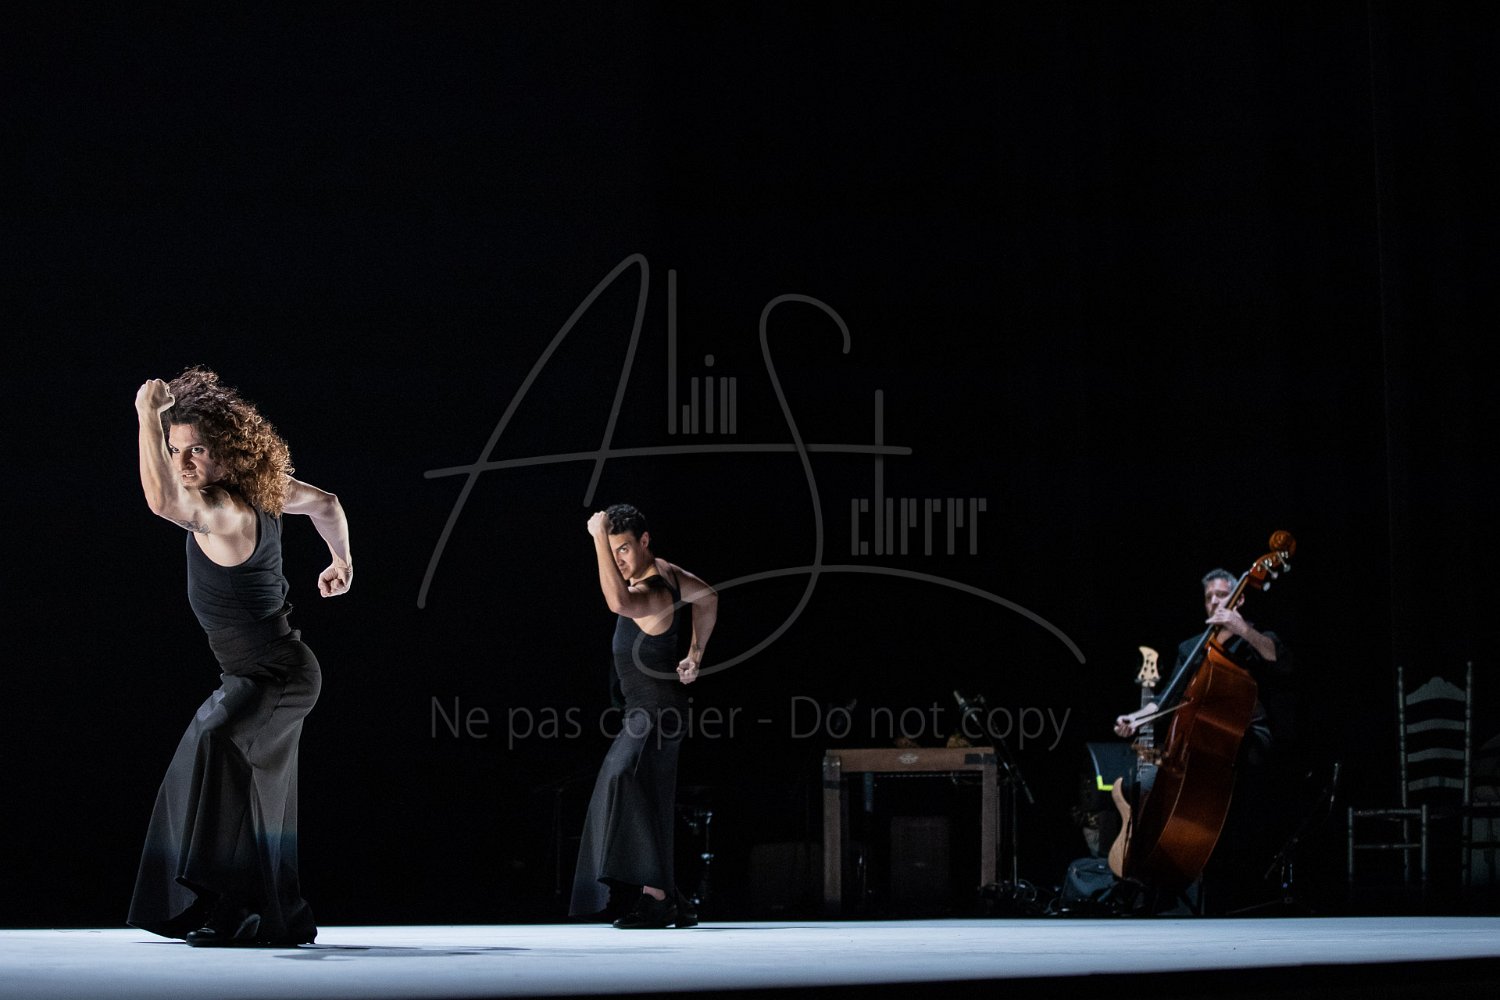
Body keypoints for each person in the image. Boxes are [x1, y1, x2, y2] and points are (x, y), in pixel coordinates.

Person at [127, 368, 351, 947]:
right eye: (174, 450)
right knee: (207, 754)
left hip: (280, 675)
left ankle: (240, 911)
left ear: (227, 453)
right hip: (251, 675)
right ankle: (246, 909)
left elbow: (161, 502)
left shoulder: (225, 509)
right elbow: (326, 503)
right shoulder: (268, 491)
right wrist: (340, 561)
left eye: (197, 450)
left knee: (223, 748)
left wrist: (147, 416)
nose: (182, 463)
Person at [570, 504, 718, 929]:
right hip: (654, 710)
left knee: (622, 780)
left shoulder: (653, 588)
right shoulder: (666, 572)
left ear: (645, 541)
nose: (618, 559)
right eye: (613, 549)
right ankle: (670, 898)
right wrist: (694, 655)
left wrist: (598, 538)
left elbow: (617, 601)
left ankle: (658, 898)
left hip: (653, 713)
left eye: (624, 549)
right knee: (644, 795)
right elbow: (708, 597)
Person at [1113, 568, 1293, 912]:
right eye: (1209, 597)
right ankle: (1157, 878)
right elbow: (1166, 699)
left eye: (1222, 595)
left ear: (1239, 598)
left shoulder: (1255, 639)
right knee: (1151, 780)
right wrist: (1135, 719)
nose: (1214, 602)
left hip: (1246, 737)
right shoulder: (1191, 648)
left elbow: (1279, 661)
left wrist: (1243, 629)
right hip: (1199, 743)